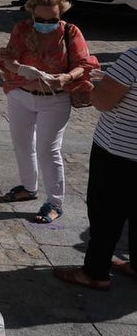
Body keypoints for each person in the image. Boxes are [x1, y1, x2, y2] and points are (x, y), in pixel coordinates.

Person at [0, 0, 98, 224]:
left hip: (55, 98)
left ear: (61, 14)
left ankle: (55, 202)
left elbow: (84, 63)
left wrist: (67, 78)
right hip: (21, 94)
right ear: (31, 14)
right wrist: (19, 68)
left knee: (48, 150)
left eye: (53, 19)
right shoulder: (22, 29)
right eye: (40, 20)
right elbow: (6, 57)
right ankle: (29, 187)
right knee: (22, 143)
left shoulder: (70, 32)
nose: (46, 24)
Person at [54, 44, 137, 291]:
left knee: (106, 213)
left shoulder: (134, 58)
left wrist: (93, 88)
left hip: (120, 151)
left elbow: (103, 101)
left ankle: (95, 272)